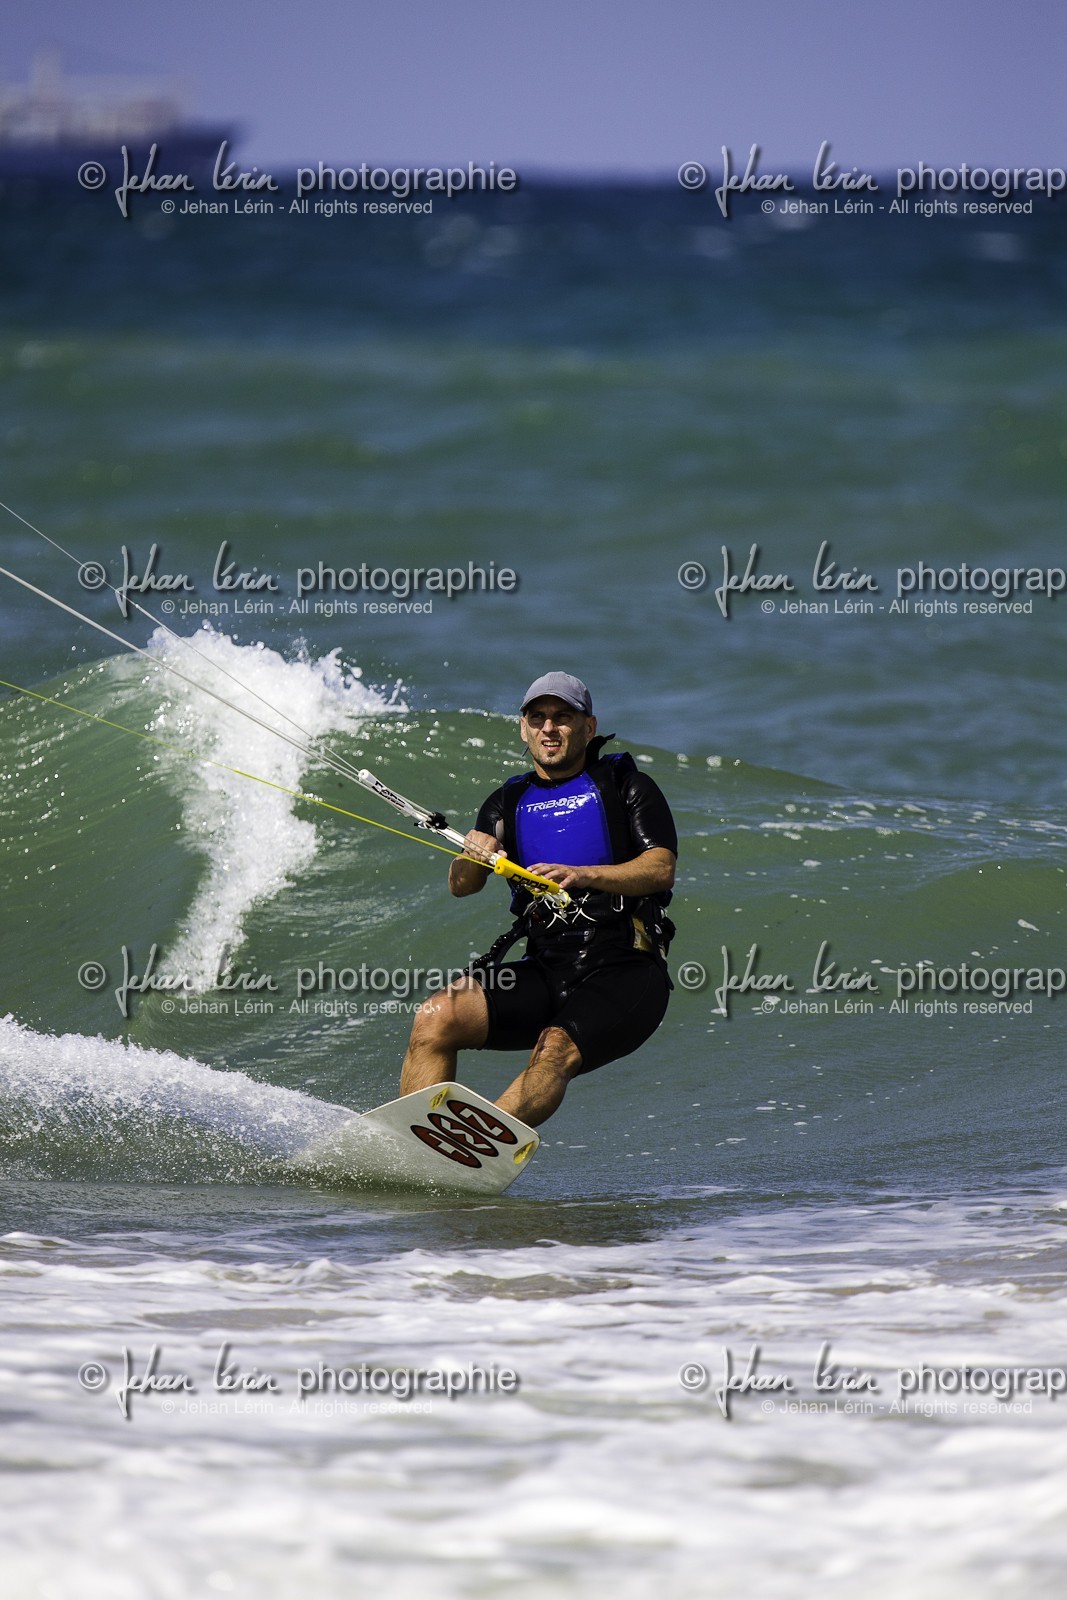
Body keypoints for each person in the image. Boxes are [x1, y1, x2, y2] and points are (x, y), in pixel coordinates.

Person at [399, 672, 678, 1126]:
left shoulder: (627, 786)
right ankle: (424, 1143)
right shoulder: (507, 801)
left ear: (588, 727)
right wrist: (473, 856)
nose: (549, 728)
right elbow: (462, 885)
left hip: (624, 969)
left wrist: (584, 873)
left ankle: (478, 1145)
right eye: (538, 717)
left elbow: (660, 868)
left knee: (555, 1048)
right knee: (436, 1017)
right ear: (524, 728)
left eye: (562, 717)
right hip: (546, 967)